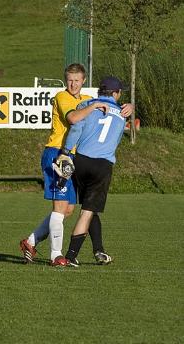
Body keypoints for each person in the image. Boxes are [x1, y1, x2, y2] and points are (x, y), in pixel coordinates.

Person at [19, 63, 133, 266]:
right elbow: (73, 118)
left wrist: (129, 107)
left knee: (68, 210)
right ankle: (56, 256)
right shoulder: (63, 97)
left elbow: (107, 108)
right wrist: (94, 106)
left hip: (72, 159)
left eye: (77, 81)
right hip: (57, 153)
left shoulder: (86, 100)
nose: (73, 84)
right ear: (66, 81)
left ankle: (30, 242)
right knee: (60, 206)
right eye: (70, 80)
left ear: (83, 81)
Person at [60, 76, 127, 266]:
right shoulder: (123, 113)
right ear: (116, 93)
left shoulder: (87, 105)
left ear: (99, 92)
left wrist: (65, 152)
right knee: (87, 212)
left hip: (80, 161)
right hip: (102, 165)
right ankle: (71, 256)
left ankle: (99, 251)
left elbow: (75, 129)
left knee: (90, 208)